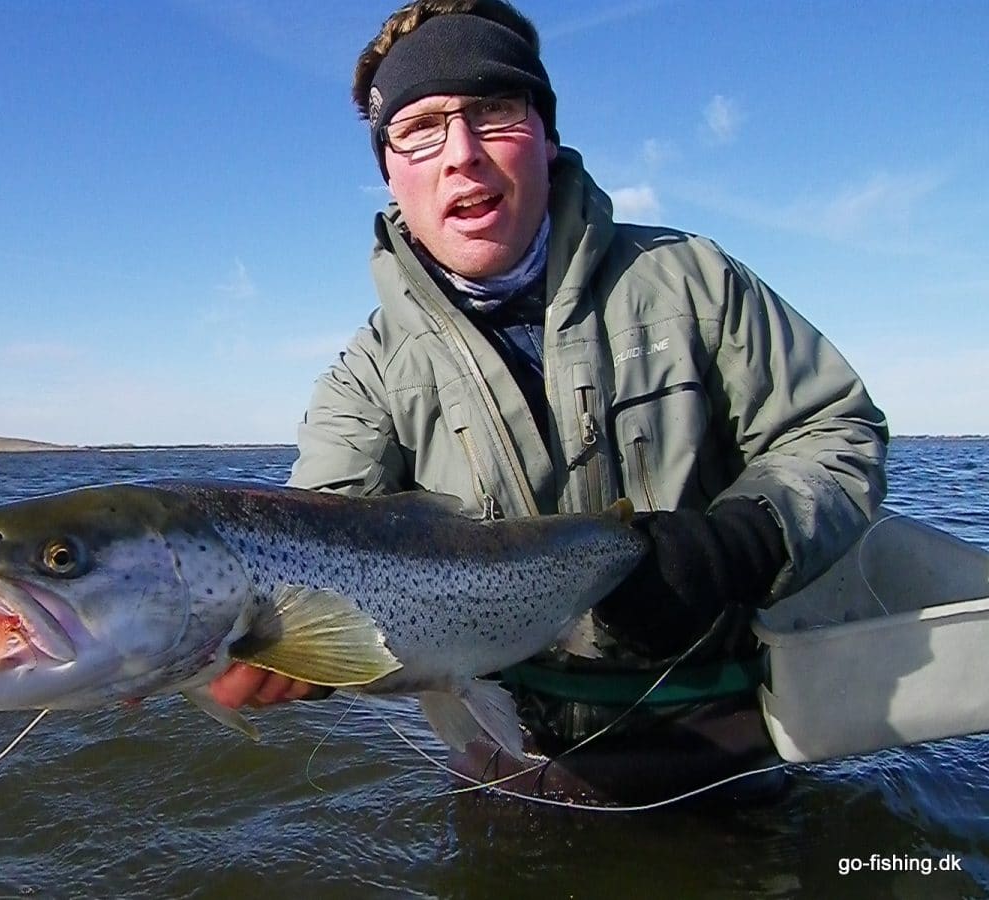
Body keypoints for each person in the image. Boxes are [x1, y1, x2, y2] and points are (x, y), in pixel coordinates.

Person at [211, 0, 888, 803]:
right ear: (390, 169)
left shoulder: (693, 280)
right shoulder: (368, 374)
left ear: (547, 134)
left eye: (493, 110)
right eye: (421, 128)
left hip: (728, 736)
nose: (460, 154)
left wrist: (742, 540)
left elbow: (834, 429)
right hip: (507, 760)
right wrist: (300, 654)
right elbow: (321, 524)